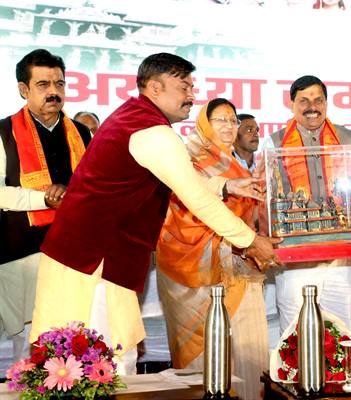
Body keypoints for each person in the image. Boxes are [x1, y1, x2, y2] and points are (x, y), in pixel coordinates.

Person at [30, 53, 280, 375]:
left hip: (88, 257)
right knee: (102, 365)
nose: (192, 96)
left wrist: (226, 186)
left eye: (192, 87)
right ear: (155, 88)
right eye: (184, 87)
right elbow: (194, 198)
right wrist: (251, 241)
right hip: (92, 262)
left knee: (98, 361)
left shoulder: (134, 118)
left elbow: (175, 182)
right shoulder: (153, 132)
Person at [156, 98, 267, 399]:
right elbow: (188, 198)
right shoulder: (187, 159)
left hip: (239, 267)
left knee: (247, 351)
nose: (229, 126)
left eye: (233, 120)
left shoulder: (235, 163)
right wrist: (227, 189)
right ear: (205, 124)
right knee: (202, 357)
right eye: (220, 120)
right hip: (191, 272)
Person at [260, 75, 351, 333]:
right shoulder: (274, 144)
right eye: (303, 100)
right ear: (291, 104)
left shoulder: (348, 140)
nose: (311, 107)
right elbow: (263, 198)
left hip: (341, 259)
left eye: (318, 100)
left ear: (326, 103)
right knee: (295, 335)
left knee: (342, 332)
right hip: (295, 260)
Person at [0, 49, 91, 363]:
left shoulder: (81, 132)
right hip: (23, 254)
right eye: (43, 84)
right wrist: (42, 199)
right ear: (23, 89)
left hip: (73, 252)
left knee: (75, 342)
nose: (54, 91)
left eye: (59, 84)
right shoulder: (3, 132)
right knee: (27, 349)